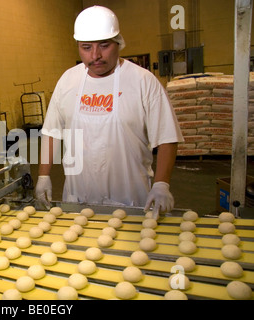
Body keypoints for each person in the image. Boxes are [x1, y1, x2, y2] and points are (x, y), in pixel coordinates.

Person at [35, 6, 184, 219]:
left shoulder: (142, 81)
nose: (95, 56)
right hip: (79, 200)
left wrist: (161, 184)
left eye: (104, 46)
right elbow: (51, 132)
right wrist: (43, 176)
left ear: (118, 43)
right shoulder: (68, 80)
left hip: (132, 201)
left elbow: (167, 136)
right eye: (86, 48)